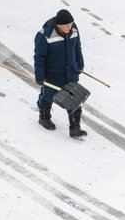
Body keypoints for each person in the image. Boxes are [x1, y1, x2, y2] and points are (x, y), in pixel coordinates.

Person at [33, 9, 87, 138]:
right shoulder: (44, 35)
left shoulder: (73, 29)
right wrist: (40, 76)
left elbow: (77, 47)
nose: (70, 27)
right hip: (53, 74)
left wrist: (80, 64)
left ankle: (75, 128)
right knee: (48, 95)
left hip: (71, 71)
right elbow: (39, 57)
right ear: (58, 24)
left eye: (71, 24)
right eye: (67, 25)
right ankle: (44, 117)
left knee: (74, 97)